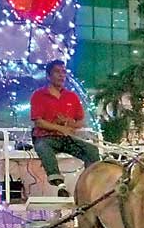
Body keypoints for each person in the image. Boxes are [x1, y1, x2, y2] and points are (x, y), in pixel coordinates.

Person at [30, 60, 99, 197]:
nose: (62, 75)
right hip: (45, 137)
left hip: (67, 138)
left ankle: (90, 184)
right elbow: (38, 122)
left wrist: (69, 123)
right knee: (43, 146)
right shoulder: (39, 95)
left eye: (63, 72)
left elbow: (80, 122)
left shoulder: (71, 96)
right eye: (57, 72)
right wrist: (59, 128)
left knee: (92, 150)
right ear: (48, 76)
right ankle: (60, 185)